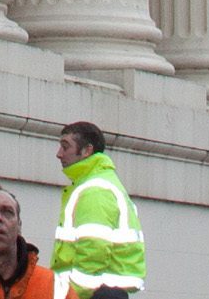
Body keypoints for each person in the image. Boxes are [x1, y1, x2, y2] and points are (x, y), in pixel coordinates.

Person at [47, 123, 145, 297]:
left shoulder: (95, 189)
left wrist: (70, 295)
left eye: (65, 146)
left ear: (87, 150)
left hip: (93, 294)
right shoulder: (97, 183)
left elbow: (92, 252)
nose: (59, 153)